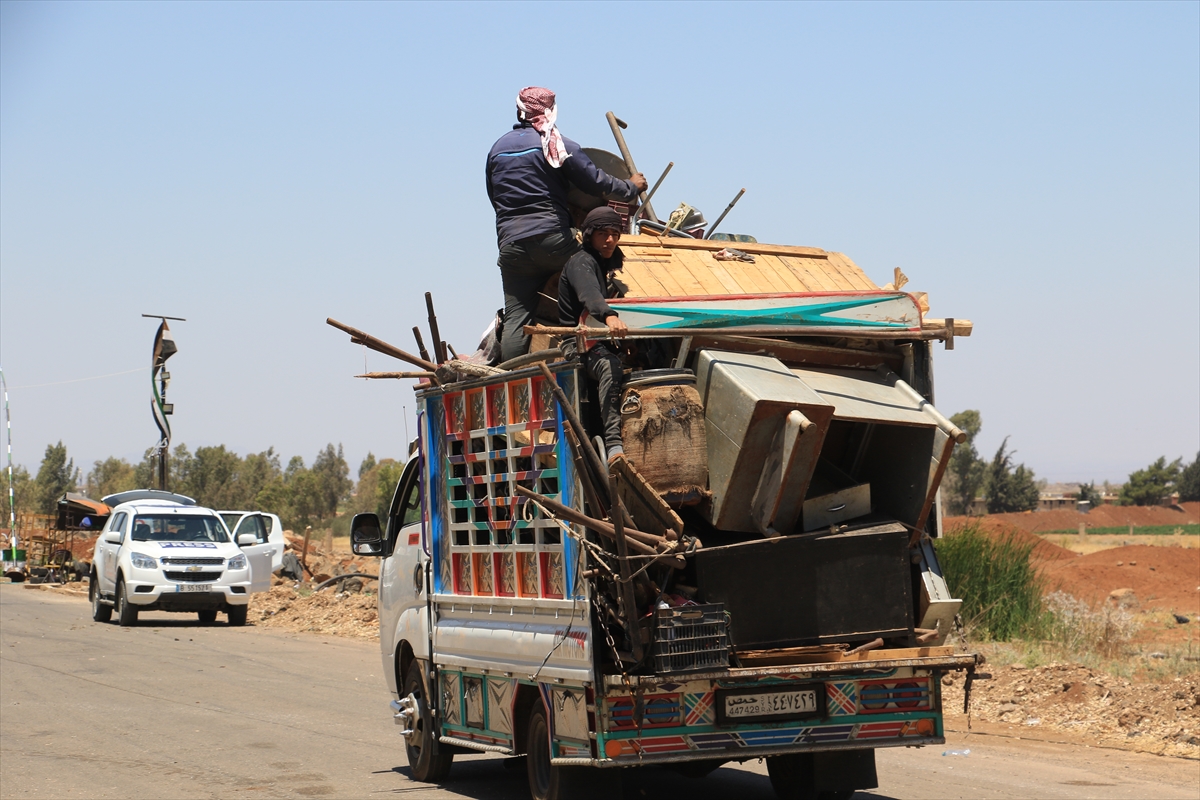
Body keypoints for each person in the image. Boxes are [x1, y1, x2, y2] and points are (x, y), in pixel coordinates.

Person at [487, 87, 648, 363]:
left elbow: (495, 197)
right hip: (555, 239)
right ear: (551, 112)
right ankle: (592, 352)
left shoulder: (497, 149)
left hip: (511, 247)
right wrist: (630, 187)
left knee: (516, 317)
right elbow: (596, 181)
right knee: (593, 263)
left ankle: (513, 374)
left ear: (519, 112)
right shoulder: (557, 144)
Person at [558, 206, 631, 463]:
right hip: (577, 342)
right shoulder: (582, 261)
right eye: (603, 234)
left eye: (615, 233)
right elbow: (590, 295)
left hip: (597, 339)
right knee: (609, 365)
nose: (610, 239)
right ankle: (613, 445)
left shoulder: (603, 264)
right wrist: (609, 316)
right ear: (589, 235)